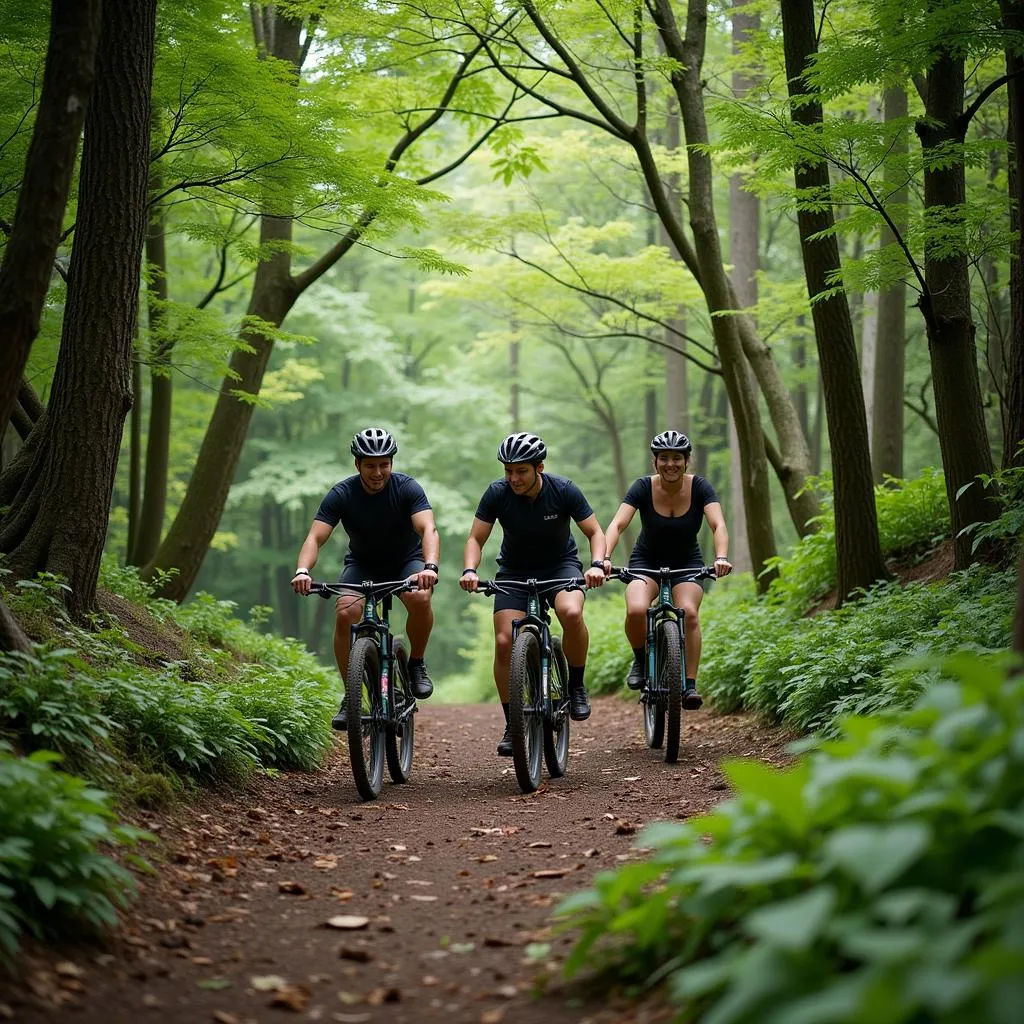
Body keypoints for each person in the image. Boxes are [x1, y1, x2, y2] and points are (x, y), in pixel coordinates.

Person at [459, 432, 607, 756]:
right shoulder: (497, 494)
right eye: (508, 471)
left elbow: (595, 531)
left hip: (560, 567)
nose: (513, 478)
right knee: (503, 641)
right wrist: (470, 569)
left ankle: (576, 686)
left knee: (571, 612)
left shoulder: (563, 490)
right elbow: (475, 539)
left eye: (521, 471)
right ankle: (513, 723)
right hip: (513, 571)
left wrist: (597, 563)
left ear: (539, 467)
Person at [291, 427, 439, 729]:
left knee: (420, 597)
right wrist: (303, 570)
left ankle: (416, 664)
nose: (378, 472)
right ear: (357, 464)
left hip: (406, 562)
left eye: (384, 464)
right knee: (346, 612)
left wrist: (430, 566)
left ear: (392, 464)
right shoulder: (342, 494)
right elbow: (315, 538)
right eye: (370, 465)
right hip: (362, 565)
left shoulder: (408, 488)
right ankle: (351, 695)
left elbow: (428, 530)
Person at [602, 430, 732, 709]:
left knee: (690, 614)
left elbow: (717, 524)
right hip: (645, 561)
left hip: (687, 563)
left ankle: (689, 685)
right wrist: (604, 557)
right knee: (636, 608)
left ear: (687, 461)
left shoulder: (700, 487)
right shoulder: (642, 487)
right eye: (664, 458)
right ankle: (640, 660)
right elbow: (618, 524)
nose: (670, 464)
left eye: (676, 458)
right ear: (655, 462)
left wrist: (721, 557)